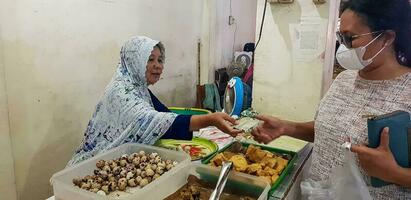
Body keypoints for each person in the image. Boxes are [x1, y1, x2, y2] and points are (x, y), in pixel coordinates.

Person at [251, 0, 411, 198]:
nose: (343, 47)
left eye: (350, 38)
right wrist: (287, 128)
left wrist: (395, 173)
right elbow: (329, 131)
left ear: (387, 38)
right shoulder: (344, 79)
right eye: (340, 37)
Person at [68, 36, 240, 166]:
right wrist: (210, 119)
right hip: (93, 168)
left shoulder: (139, 88)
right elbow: (155, 122)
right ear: (134, 61)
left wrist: (207, 123)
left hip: (119, 164)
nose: (158, 65)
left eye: (160, 60)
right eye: (149, 59)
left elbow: (165, 114)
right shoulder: (122, 92)